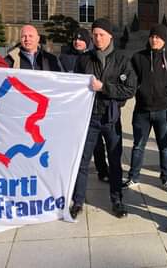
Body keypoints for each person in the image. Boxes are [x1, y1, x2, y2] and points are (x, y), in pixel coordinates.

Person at [70, 18, 137, 219]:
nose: (98, 38)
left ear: (110, 36)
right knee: (83, 161)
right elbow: (75, 87)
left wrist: (105, 88)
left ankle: (116, 201)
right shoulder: (84, 60)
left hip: (110, 118)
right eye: (95, 34)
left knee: (115, 161)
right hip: (89, 118)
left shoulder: (122, 60)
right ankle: (78, 200)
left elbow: (130, 89)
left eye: (101, 34)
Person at [123, 24, 167, 192]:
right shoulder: (138, 57)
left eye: (158, 37)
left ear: (164, 40)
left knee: (164, 147)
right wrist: (137, 89)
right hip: (142, 110)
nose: (155, 40)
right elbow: (130, 79)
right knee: (138, 146)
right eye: (152, 37)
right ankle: (133, 177)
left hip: (163, 110)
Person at [59, 28, 110, 182]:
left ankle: (103, 170)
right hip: (71, 107)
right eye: (75, 39)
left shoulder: (94, 56)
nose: (77, 42)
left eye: (81, 39)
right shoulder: (64, 57)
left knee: (96, 143)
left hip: (91, 108)